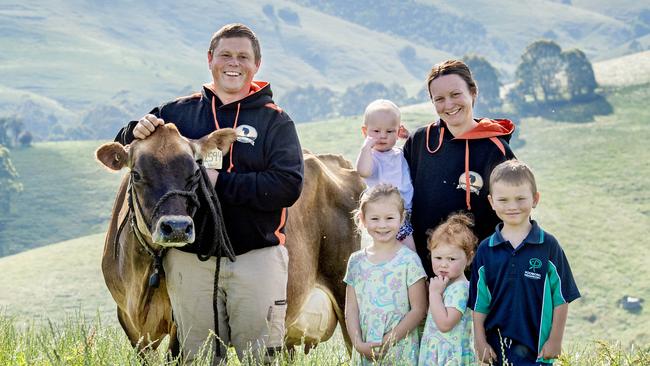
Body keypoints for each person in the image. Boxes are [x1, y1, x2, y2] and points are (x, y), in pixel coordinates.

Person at [114, 23, 304, 363]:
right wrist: (134, 128)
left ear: (256, 64)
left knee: (259, 358)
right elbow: (129, 147)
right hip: (190, 261)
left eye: (243, 56)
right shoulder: (177, 113)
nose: (234, 63)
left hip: (255, 258)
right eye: (226, 55)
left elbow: (287, 186)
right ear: (210, 59)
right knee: (196, 358)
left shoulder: (276, 122)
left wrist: (220, 182)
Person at [403, 59, 516, 277]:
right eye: (439, 99)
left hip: (478, 278)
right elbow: (395, 194)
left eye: (456, 94)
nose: (449, 105)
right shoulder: (419, 141)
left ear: (473, 92)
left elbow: (515, 214)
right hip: (420, 276)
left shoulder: (495, 150)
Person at [469, 159, 580, 365]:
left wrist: (555, 340)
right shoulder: (486, 249)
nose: (512, 206)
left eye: (520, 198)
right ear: (492, 202)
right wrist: (480, 341)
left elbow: (561, 298)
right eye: (503, 200)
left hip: (537, 351)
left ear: (535, 199)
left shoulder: (548, 245)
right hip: (497, 350)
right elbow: (479, 303)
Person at [343, 183, 427, 365]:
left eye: (389, 218)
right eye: (375, 219)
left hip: (400, 350)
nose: (382, 225)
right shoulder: (356, 262)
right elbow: (351, 310)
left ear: (402, 218)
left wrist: (388, 341)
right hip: (366, 350)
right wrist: (357, 343)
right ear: (363, 220)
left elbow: (419, 309)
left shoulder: (409, 260)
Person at [355, 99, 415, 251]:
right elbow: (363, 171)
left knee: (410, 252)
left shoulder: (400, 153)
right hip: (385, 215)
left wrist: (409, 137)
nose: (382, 136)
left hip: (407, 212)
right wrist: (366, 147)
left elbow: (417, 156)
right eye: (376, 131)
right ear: (365, 132)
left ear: (398, 131)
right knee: (408, 251)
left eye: (389, 131)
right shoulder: (372, 157)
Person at [419, 213, 478, 365]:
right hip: (437, 353)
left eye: (451, 259)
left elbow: (445, 324)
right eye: (438, 258)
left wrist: (434, 294)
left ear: (469, 258)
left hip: (450, 357)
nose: (443, 264)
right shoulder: (445, 285)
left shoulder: (461, 290)